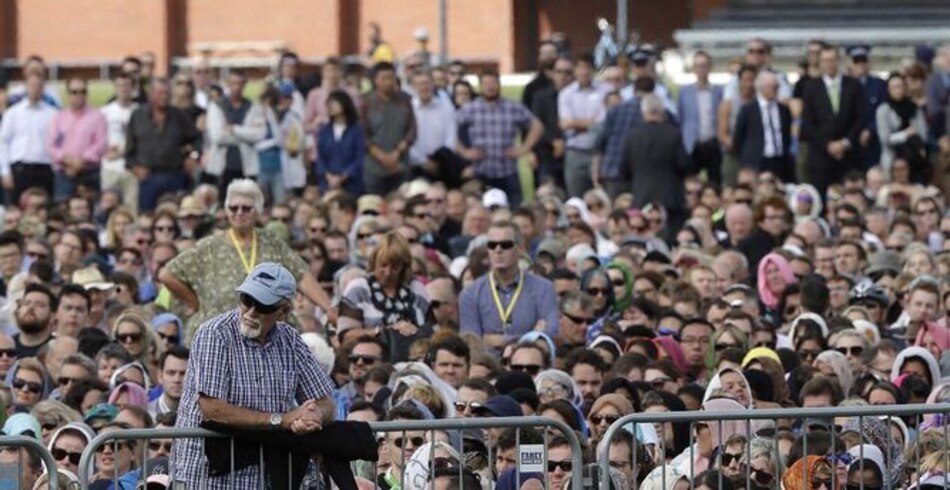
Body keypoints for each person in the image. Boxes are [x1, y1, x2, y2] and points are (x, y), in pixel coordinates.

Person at [172, 262, 335, 488]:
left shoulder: (291, 339)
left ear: (284, 311)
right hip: (207, 475)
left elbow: (326, 403)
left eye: (263, 306)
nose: (250, 312)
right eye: (246, 300)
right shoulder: (215, 333)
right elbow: (213, 409)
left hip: (263, 474)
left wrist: (311, 417)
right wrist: (282, 420)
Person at [159, 179, 334, 340]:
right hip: (220, 334)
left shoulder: (271, 242)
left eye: (246, 208)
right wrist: (197, 304)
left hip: (267, 331)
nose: (239, 213)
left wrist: (328, 308)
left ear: (257, 211)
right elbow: (167, 274)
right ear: (227, 211)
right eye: (234, 208)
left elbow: (301, 274)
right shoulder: (209, 246)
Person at [459, 221, 559, 351]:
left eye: (506, 245)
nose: (498, 250)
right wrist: (529, 337)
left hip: (529, 365)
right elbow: (471, 344)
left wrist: (495, 340)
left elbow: (548, 338)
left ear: (520, 248)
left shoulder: (544, 289)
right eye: (492, 245)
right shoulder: (470, 294)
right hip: (487, 367)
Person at [338, 232, 431, 362]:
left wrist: (415, 331)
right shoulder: (358, 288)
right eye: (383, 265)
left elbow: (432, 331)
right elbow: (346, 337)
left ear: (404, 267)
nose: (388, 272)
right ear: (374, 262)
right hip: (369, 361)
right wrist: (385, 331)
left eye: (395, 267)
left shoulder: (417, 290)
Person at [456, 72, 543, 208]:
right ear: (480, 86)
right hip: (481, 171)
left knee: (514, 210)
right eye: (486, 84)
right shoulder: (470, 109)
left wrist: (524, 148)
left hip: (508, 171)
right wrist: (464, 152)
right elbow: (450, 130)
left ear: (499, 85)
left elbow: (537, 126)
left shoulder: (512, 107)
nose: (490, 87)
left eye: (493, 83)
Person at [801, 45, 867, 197]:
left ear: (839, 61)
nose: (829, 64)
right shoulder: (811, 87)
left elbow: (860, 118)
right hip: (821, 157)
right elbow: (808, 123)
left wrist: (844, 143)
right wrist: (828, 145)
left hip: (849, 156)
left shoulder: (854, 85)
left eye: (832, 60)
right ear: (820, 63)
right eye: (825, 60)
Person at [125, 78, 200, 212]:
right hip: (148, 177)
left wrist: (193, 157)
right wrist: (135, 168)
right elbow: (129, 152)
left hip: (175, 175)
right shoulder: (137, 116)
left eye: (167, 93)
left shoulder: (179, 115)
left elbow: (197, 138)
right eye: (160, 93)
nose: (164, 97)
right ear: (151, 94)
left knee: (176, 215)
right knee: (147, 217)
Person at [620, 93, 691, 231]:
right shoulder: (673, 134)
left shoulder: (632, 136)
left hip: (641, 197)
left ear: (643, 112)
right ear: (662, 112)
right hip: (671, 198)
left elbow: (623, 169)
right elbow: (685, 164)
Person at [204, 69, 266, 194]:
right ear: (228, 83)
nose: (237, 87)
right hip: (221, 167)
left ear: (245, 84)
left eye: (240, 83)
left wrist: (234, 129)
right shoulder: (217, 106)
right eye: (233, 83)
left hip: (246, 167)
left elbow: (259, 134)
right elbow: (217, 136)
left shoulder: (254, 107)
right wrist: (246, 135)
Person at [46, 77, 107, 202]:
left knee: (91, 212)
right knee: (63, 211)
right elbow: (52, 145)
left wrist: (80, 162)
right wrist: (68, 161)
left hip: (89, 172)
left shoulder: (98, 116)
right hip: (65, 172)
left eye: (83, 91)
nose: (79, 95)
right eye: (74, 92)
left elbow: (100, 144)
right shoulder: (59, 117)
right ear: (68, 95)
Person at [0, 72, 57, 204]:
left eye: (38, 85)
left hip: (44, 168)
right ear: (25, 87)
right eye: (32, 85)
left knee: (43, 207)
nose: (35, 88)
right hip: (20, 169)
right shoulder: (13, 113)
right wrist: (4, 171)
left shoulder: (52, 114)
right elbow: (3, 143)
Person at [361, 62, 416, 196]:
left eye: (391, 77)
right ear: (376, 80)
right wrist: (381, 156)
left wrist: (396, 154)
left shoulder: (405, 100)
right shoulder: (366, 102)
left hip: (400, 165)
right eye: (384, 78)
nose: (388, 82)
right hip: (374, 167)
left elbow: (412, 131)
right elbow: (363, 134)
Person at [558, 52, 609, 198]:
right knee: (576, 198)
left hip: (599, 152)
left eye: (587, 67)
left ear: (593, 70)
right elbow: (565, 123)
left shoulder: (605, 91)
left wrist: (577, 123)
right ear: (575, 70)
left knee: (602, 198)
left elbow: (605, 123)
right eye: (580, 68)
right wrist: (592, 123)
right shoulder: (566, 94)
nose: (584, 72)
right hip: (575, 152)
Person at [733, 71, 794, 182]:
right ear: (760, 88)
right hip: (756, 160)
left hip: (779, 160)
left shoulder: (784, 110)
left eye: (776, 87)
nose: (774, 90)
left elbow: (787, 136)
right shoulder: (748, 109)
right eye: (770, 87)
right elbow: (738, 138)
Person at [678, 51, 724, 186]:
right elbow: (680, 119)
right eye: (698, 66)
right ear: (693, 69)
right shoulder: (684, 92)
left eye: (704, 66)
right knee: (690, 183)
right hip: (692, 144)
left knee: (715, 182)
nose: (701, 70)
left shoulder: (719, 91)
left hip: (713, 143)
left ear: (710, 67)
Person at [100, 73, 140, 213]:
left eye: (127, 86)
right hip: (110, 167)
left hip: (131, 168)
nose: (123, 89)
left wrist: (123, 152)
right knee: (108, 207)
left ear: (133, 88)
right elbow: (98, 139)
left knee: (131, 209)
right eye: (120, 86)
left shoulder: (139, 111)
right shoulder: (105, 111)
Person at [876, 73, 928, 180]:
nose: (898, 90)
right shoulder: (883, 110)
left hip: (914, 161)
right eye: (894, 87)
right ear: (888, 89)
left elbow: (923, 134)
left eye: (900, 86)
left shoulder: (914, 108)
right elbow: (884, 138)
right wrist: (905, 134)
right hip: (892, 160)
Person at [316, 90, 366, 196]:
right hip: (327, 183)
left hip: (351, 184)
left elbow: (359, 158)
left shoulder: (356, 130)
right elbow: (320, 157)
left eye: (334, 102)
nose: (331, 106)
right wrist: (329, 176)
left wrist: (343, 176)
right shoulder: (324, 131)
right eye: (329, 103)